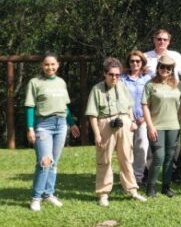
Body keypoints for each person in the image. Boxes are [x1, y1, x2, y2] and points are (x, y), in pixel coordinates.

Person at [84, 57, 148, 206]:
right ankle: (103, 193)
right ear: (105, 74)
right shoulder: (97, 89)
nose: (114, 78)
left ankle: (132, 190)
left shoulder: (122, 86)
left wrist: (132, 121)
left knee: (126, 157)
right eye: (111, 74)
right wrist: (97, 134)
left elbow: (130, 106)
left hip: (124, 123)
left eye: (117, 75)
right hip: (105, 123)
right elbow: (92, 114)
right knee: (104, 159)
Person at [24, 53, 80, 211]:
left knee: (53, 163)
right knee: (45, 162)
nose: (50, 67)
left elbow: (65, 106)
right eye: (47, 64)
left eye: (53, 64)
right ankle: (36, 198)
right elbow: (29, 106)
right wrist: (30, 128)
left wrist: (72, 123)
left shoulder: (61, 82)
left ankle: (49, 194)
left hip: (61, 124)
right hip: (43, 125)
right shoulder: (34, 82)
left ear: (58, 65)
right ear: (42, 65)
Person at [144, 29, 181, 184]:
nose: (161, 42)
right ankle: (148, 176)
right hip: (154, 101)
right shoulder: (146, 57)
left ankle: (175, 175)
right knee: (153, 143)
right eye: (159, 39)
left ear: (169, 41)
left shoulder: (176, 56)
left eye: (165, 39)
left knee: (174, 143)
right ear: (154, 39)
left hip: (173, 103)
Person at [141, 54, 181, 197]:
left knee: (170, 158)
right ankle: (151, 187)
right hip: (156, 126)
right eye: (163, 67)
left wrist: (180, 118)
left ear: (172, 70)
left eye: (169, 68)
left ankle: (166, 187)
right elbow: (145, 106)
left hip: (173, 126)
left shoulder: (177, 85)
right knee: (158, 157)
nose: (165, 70)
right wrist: (150, 126)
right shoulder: (150, 85)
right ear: (158, 68)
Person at [122, 50, 152, 190]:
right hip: (126, 119)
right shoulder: (122, 80)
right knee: (126, 149)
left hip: (143, 119)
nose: (135, 63)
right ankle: (127, 177)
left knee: (141, 147)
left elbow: (152, 100)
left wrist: (144, 119)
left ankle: (137, 177)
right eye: (132, 61)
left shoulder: (148, 79)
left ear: (142, 63)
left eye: (138, 61)